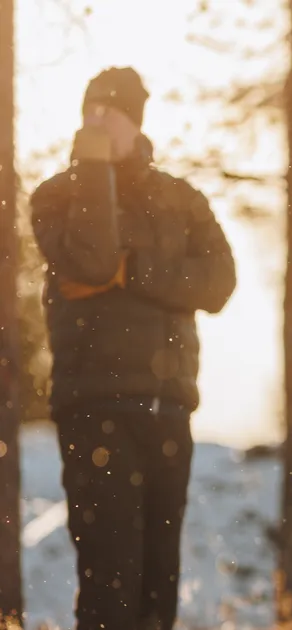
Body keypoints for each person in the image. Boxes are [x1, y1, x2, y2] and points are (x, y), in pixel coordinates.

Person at [30, 67, 237, 630]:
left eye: (109, 112)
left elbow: (219, 282)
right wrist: (96, 169)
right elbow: (93, 259)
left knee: (156, 586)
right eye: (89, 111)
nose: (96, 121)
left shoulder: (181, 198)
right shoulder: (57, 197)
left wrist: (135, 270)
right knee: (109, 582)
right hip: (95, 408)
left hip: (167, 409)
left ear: (135, 121)